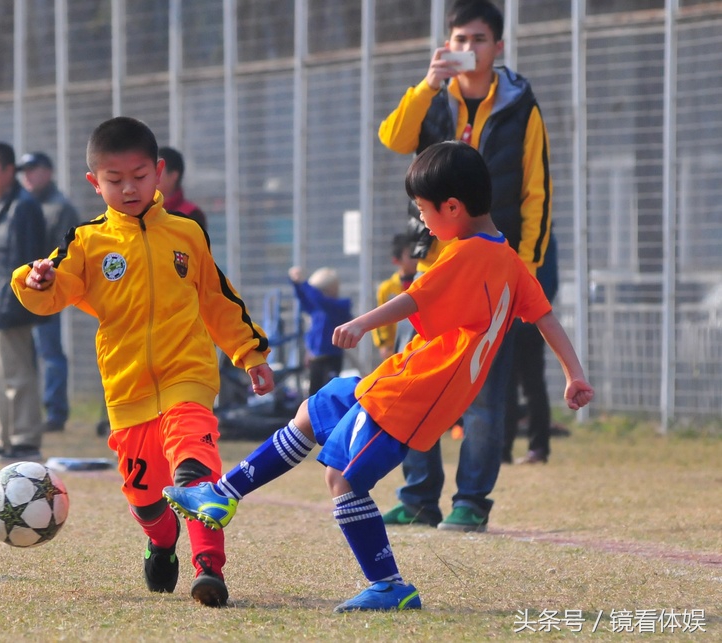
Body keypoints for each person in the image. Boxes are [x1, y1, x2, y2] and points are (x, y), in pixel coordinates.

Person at [162, 141, 592, 613]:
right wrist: (574, 373)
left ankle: (389, 583)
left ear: (453, 206)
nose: (422, 221)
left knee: (343, 478)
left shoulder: (466, 254)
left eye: (425, 210)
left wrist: (363, 322)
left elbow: (416, 298)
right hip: (398, 378)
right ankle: (221, 496)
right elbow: (545, 316)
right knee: (314, 409)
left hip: (413, 395)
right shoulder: (508, 259)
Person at [11, 116, 274, 608]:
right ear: (95, 183)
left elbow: (217, 298)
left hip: (188, 377)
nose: (128, 188)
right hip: (128, 391)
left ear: (158, 173)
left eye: (138, 175)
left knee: (197, 470)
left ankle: (209, 569)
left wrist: (249, 351)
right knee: (143, 496)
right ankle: (161, 539)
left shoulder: (187, 234)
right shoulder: (86, 241)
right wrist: (36, 280)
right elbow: (51, 290)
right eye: (115, 180)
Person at [377, 0, 552, 530]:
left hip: (494, 266)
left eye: (478, 40)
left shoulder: (521, 104)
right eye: (458, 40)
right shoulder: (432, 99)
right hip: (435, 263)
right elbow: (393, 138)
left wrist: (522, 268)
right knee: (413, 379)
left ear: (498, 47)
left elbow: (536, 191)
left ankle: (471, 501)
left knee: (483, 391)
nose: (467, 49)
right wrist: (426, 85)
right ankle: (419, 497)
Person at [0, 142, 47, 463]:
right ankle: (4, 438)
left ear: (7, 170)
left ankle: (24, 439)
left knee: (17, 375)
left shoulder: (23, 206)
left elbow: (30, 257)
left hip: (11, 301)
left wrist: (23, 300)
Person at [18, 151, 80, 434]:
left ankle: (55, 412)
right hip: (26, 286)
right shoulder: (25, 203)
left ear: (49, 171)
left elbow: (65, 249)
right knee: (31, 352)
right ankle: (36, 410)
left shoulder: (59, 207)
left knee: (50, 351)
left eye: (34, 169)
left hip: (48, 287)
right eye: (25, 170)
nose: (28, 175)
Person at [504, 232, 558, 464]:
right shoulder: (542, 237)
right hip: (530, 318)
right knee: (529, 385)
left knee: (515, 386)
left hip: (521, 319)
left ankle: (507, 448)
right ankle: (535, 448)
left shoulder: (514, 235)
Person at [288, 266, 352, 396]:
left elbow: (319, 300)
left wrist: (304, 283)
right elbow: (304, 300)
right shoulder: (317, 309)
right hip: (316, 358)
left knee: (329, 393)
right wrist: (296, 284)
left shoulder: (339, 306)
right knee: (313, 393)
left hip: (331, 357)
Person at [371, 233, 417, 361]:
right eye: (410, 254)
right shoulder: (387, 288)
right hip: (396, 349)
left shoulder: (424, 280)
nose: (416, 258)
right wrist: (385, 344)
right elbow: (379, 318)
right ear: (396, 260)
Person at [157, 146, 207, 231]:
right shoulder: (141, 211)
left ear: (174, 175)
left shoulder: (192, 215)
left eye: (158, 171)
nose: (153, 176)